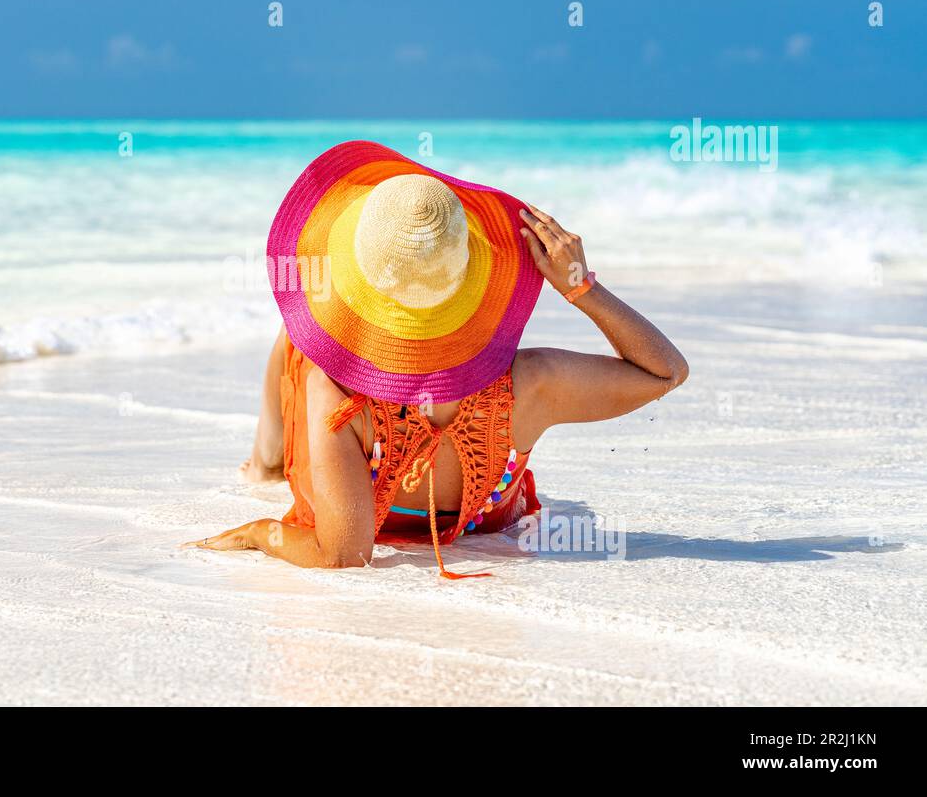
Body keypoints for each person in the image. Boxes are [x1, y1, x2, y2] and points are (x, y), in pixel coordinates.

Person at [187, 141, 688, 578]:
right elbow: (666, 371)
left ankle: (265, 462)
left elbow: (342, 554)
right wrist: (581, 287)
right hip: (484, 515)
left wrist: (261, 534)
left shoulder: (338, 393)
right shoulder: (530, 384)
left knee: (300, 332)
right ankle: (266, 460)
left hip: (350, 489)